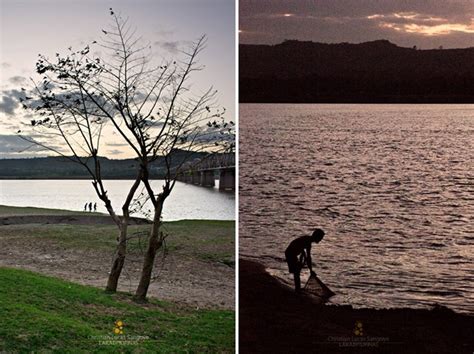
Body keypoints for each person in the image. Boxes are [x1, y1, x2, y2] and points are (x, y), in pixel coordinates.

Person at [285, 228, 325, 292]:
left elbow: (304, 252)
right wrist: (311, 270)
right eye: (320, 238)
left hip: (292, 254)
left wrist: (303, 260)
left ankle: (297, 288)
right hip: (290, 253)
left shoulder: (308, 239)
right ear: (316, 237)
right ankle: (297, 289)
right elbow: (308, 257)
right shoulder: (308, 241)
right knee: (296, 271)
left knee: (297, 270)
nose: (320, 240)